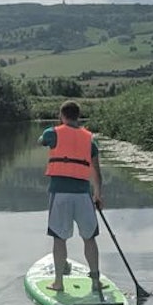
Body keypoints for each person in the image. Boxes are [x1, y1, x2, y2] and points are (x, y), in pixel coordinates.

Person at [39, 100, 104, 293]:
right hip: (84, 195)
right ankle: (95, 281)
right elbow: (97, 172)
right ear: (78, 116)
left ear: (62, 115)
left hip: (60, 194)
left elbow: (41, 141)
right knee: (89, 238)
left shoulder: (53, 133)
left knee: (59, 239)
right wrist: (98, 195)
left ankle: (58, 282)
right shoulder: (90, 139)